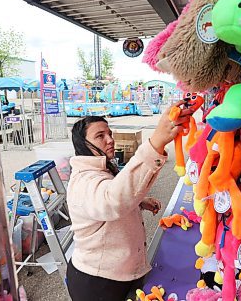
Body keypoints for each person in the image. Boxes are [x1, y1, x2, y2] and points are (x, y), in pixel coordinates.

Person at [66, 101, 193, 301]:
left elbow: (115, 190)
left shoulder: (102, 168)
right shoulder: (83, 180)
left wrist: (140, 201)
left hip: (121, 274)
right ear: (83, 144)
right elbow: (111, 201)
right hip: (98, 283)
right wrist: (155, 143)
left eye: (109, 133)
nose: (109, 140)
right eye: (100, 136)